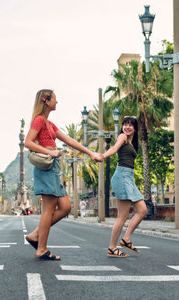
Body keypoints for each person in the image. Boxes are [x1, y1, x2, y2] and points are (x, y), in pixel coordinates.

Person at [24, 89, 103, 261]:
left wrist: (91, 153)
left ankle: (36, 235)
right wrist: (49, 151)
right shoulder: (38, 120)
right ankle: (41, 248)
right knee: (49, 209)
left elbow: (70, 140)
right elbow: (27, 142)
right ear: (45, 100)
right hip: (46, 166)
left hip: (53, 168)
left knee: (66, 207)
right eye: (54, 99)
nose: (57, 102)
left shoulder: (49, 124)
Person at [102, 116, 147, 257]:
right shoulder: (122, 137)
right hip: (121, 176)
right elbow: (114, 149)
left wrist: (132, 177)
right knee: (122, 216)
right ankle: (112, 247)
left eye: (130, 125)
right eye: (125, 124)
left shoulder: (133, 142)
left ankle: (126, 239)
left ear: (134, 128)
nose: (127, 127)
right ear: (122, 126)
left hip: (128, 178)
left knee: (142, 210)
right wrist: (103, 156)